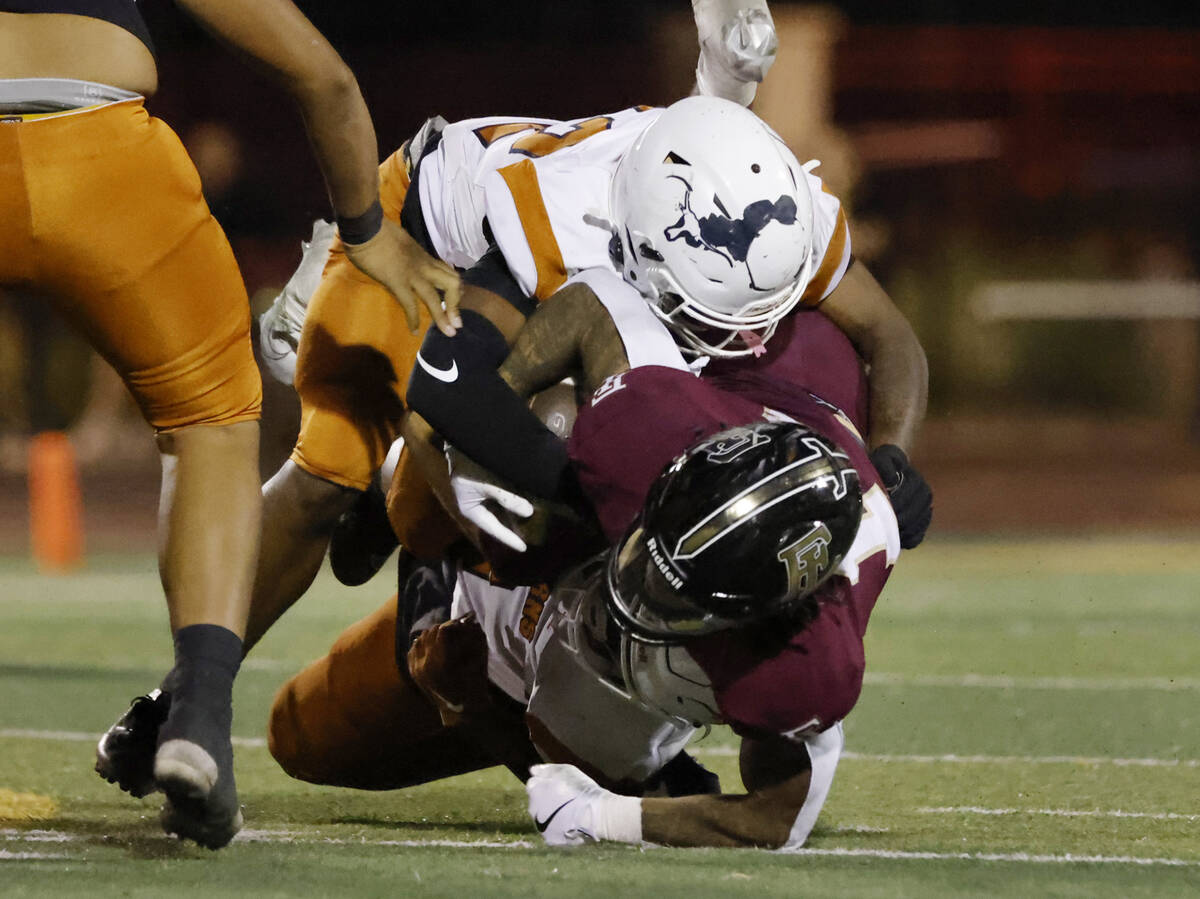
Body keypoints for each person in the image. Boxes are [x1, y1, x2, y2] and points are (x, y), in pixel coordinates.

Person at [1, 0, 459, 849]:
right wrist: (365, 230)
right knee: (210, 418)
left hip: (89, 134)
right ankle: (199, 717)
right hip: (96, 145)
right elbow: (319, 73)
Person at [267, 371, 899, 849]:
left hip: (538, 674)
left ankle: (431, 560)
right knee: (519, 438)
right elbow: (566, 322)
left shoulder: (805, 664)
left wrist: (600, 813)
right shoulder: (647, 421)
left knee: (302, 743)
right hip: (550, 533)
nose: (641, 595)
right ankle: (398, 493)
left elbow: (774, 817)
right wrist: (441, 478)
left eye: (679, 597)